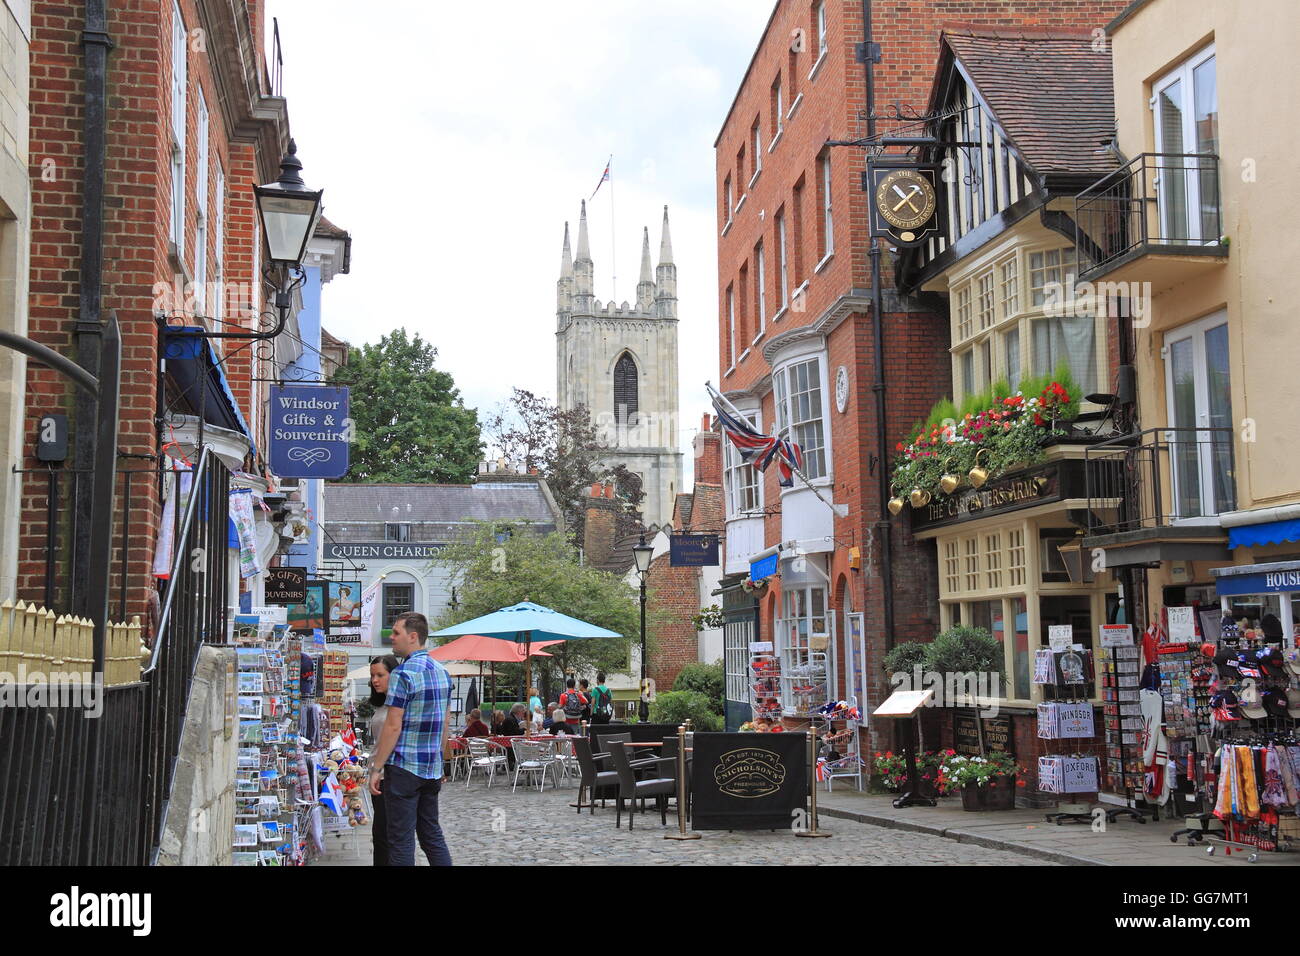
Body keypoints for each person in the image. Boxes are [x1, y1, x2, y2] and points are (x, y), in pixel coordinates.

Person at [368, 612, 452, 867]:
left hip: (404, 768)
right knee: (431, 834)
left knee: (400, 839)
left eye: (396, 633)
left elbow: (393, 726)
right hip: (431, 768)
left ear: (413, 636)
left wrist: (377, 768)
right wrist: (442, 759)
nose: (391, 637)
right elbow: (445, 724)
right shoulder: (442, 672)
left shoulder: (403, 674)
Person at [367, 654, 400, 866]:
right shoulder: (382, 704)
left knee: (385, 836)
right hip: (378, 775)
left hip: (389, 774)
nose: (375, 680)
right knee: (380, 835)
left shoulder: (397, 706)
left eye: (380, 675)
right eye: (372, 676)